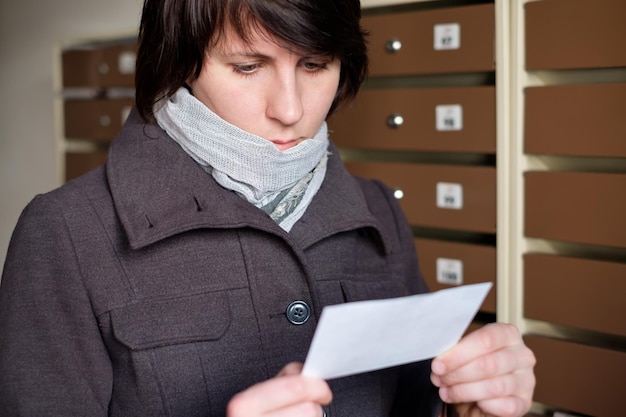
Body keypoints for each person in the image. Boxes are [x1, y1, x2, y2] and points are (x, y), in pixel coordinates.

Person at [0, 0, 536, 416]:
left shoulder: (377, 210)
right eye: (248, 66)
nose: (291, 108)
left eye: (314, 64)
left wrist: (467, 406)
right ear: (179, 62)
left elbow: (414, 401)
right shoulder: (64, 232)